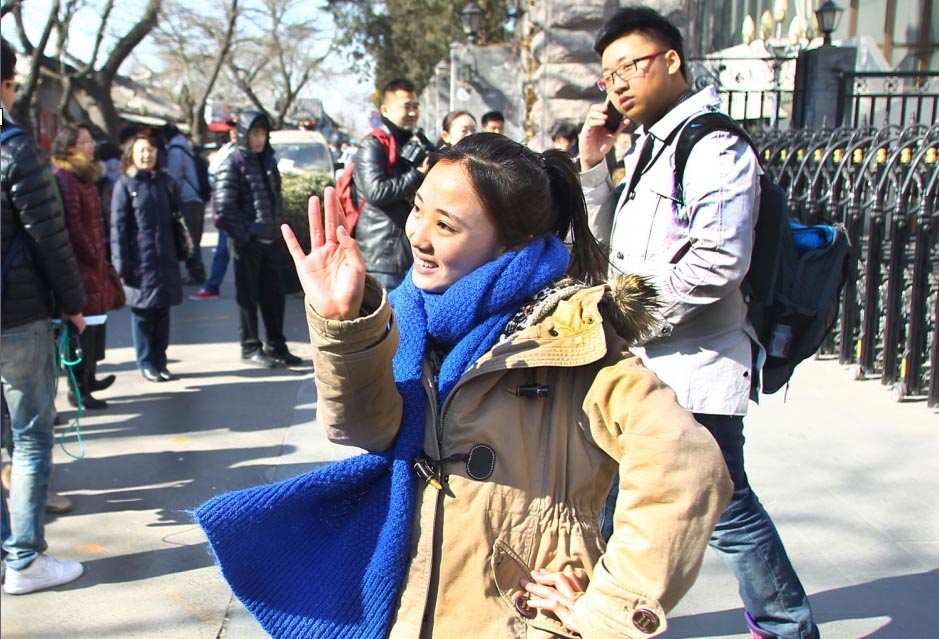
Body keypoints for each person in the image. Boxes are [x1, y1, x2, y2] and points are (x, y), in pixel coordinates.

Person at [197, 132, 732, 638]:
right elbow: (364, 428)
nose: (418, 235)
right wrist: (344, 325)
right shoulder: (412, 312)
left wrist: (612, 607)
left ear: (512, 241)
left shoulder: (573, 339)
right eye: (417, 208)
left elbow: (687, 467)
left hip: (514, 615)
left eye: (446, 226)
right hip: (413, 603)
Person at [577, 7, 819, 639]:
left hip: (696, 367)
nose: (618, 86)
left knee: (725, 505)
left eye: (630, 66)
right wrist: (595, 167)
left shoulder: (713, 146)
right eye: (607, 77)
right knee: (621, 495)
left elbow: (718, 260)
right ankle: (607, 614)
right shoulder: (653, 148)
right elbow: (608, 248)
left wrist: (625, 315)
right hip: (649, 367)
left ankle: (788, 626)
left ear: (672, 60)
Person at [1, 36, 86, 594]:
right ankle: (25, 560)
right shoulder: (14, 147)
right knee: (31, 439)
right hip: (17, 316)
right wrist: (75, 305)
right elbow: (50, 237)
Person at [213, 111, 302, 368]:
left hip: (271, 240)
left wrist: (278, 228)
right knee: (247, 298)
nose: (259, 139)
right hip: (247, 244)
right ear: (243, 134)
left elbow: (276, 198)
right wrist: (245, 235)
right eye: (254, 133)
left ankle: (276, 344)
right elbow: (223, 208)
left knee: (275, 296)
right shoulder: (233, 162)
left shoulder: (268, 160)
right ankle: (250, 346)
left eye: (263, 133)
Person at [51, 123, 118, 410]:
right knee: (81, 327)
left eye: (91, 142)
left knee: (94, 324)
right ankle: (77, 386)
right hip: (81, 265)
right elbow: (73, 227)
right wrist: (92, 253)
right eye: (84, 142)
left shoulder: (85, 176)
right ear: (69, 147)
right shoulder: (65, 178)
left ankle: (89, 377)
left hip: (94, 261)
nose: (91, 147)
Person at [110, 133, 184, 383]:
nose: (146, 155)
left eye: (151, 150)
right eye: (141, 150)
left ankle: (160, 360)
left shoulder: (164, 182)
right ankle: (146, 362)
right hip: (139, 261)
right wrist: (121, 264)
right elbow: (117, 228)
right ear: (130, 154)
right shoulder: (124, 185)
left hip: (165, 258)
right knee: (142, 315)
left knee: (162, 313)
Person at [352, 78, 431, 291]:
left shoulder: (414, 143)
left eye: (416, 107)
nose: (413, 113)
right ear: (385, 109)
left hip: (411, 252)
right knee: (385, 323)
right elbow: (376, 192)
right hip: (383, 257)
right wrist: (418, 174)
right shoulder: (373, 145)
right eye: (406, 107)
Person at [191, 118, 238, 301]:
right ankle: (212, 286)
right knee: (223, 249)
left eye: (237, 129)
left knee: (226, 250)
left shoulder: (243, 152)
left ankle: (213, 286)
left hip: (236, 210)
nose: (233, 132)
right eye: (232, 129)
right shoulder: (227, 149)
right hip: (223, 206)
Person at [164, 124, 207, 286]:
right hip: (197, 196)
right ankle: (197, 271)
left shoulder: (175, 151)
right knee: (194, 237)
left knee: (190, 238)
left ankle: (196, 273)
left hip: (188, 198)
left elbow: (174, 178)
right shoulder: (187, 146)